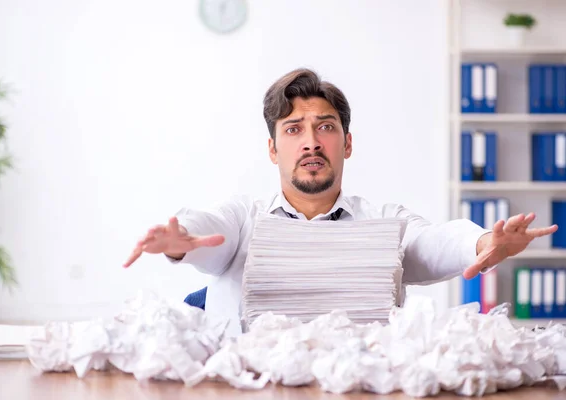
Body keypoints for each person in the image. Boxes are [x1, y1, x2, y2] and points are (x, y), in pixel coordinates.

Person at [123, 68, 558, 336]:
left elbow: (432, 242)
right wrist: (182, 238)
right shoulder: (243, 219)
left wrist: (484, 243)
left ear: (346, 143)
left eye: (325, 127)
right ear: (273, 149)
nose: (311, 143)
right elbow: (207, 230)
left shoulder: (382, 221)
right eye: (293, 129)